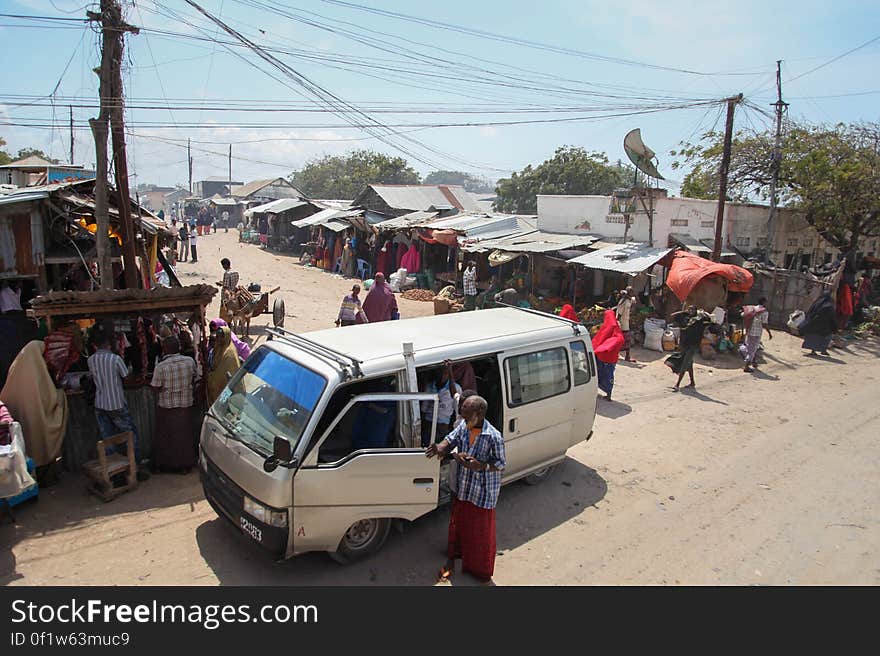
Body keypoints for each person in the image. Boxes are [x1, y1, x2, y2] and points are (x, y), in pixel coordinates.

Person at [426, 395, 505, 585]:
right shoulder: (465, 425)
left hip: (482, 493)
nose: (461, 414)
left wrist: (481, 466)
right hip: (464, 488)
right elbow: (450, 439)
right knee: (460, 526)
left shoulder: (494, 437)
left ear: (478, 414)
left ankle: (479, 571)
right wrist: (440, 448)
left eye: (466, 412)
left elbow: (500, 464)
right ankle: (454, 558)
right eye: (462, 410)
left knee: (480, 534)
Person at [87, 328, 149, 480]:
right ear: (109, 343)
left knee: (107, 438)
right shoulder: (115, 359)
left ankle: (114, 473)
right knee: (130, 435)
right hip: (116, 404)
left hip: (100, 404)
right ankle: (135, 469)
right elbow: (127, 379)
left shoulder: (91, 360)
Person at [150, 335, 197, 473]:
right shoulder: (190, 362)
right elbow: (194, 377)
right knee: (184, 435)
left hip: (167, 406)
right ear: (179, 348)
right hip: (185, 404)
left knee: (167, 437)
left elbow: (155, 387)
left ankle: (168, 465)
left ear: (164, 350)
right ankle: (185, 465)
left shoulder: (161, 367)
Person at [665, 307, 714, 392]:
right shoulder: (685, 319)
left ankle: (677, 384)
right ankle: (692, 383)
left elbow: (711, 321)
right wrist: (684, 311)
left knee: (684, 363)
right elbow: (673, 315)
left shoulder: (700, 321)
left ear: (696, 311)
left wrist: (703, 313)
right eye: (689, 310)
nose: (691, 311)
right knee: (689, 364)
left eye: (693, 310)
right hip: (685, 345)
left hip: (693, 345)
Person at [420, 360, 461, 447]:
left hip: (443, 425)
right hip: (429, 423)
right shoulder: (430, 386)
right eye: (440, 372)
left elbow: (457, 409)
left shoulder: (456, 388)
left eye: (445, 372)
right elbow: (424, 408)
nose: (442, 375)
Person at [592, 310, 625, 401]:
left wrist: (600, 349)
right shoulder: (608, 327)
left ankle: (608, 394)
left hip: (607, 359)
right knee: (599, 374)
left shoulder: (614, 330)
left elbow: (616, 341)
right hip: (601, 357)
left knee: (607, 376)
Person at [206, 325, 241, 407]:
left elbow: (224, 373)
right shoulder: (218, 348)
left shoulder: (229, 353)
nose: (219, 339)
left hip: (226, 387)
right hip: (215, 385)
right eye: (217, 337)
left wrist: (212, 377)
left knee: (225, 406)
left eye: (221, 337)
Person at [800, 292, 836, 356]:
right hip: (825, 327)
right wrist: (835, 327)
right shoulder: (830, 306)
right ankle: (823, 350)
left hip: (814, 325)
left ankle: (813, 351)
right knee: (826, 337)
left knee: (813, 337)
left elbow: (809, 314)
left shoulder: (817, 304)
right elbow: (832, 318)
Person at [742, 297, 772, 372]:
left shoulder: (752, 308)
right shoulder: (764, 312)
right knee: (754, 347)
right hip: (757, 332)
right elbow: (764, 324)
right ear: (764, 302)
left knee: (749, 346)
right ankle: (746, 366)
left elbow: (743, 314)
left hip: (749, 330)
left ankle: (753, 362)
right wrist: (769, 333)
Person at [616, 286, 636, 362]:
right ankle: (626, 356)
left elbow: (634, 303)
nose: (632, 293)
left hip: (626, 322)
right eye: (631, 291)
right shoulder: (623, 301)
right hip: (622, 324)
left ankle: (626, 356)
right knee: (625, 340)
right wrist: (617, 323)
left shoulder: (629, 300)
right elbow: (619, 313)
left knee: (626, 340)